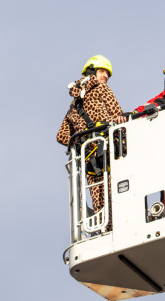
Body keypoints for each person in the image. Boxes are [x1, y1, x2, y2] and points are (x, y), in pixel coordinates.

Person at [57, 55, 127, 221]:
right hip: (109, 153)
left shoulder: (74, 106)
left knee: (99, 202)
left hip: (90, 160)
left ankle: (104, 227)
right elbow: (119, 116)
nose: (105, 77)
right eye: (102, 71)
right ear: (92, 72)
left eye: (107, 75)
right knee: (117, 195)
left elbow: (62, 136)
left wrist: (79, 142)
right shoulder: (102, 90)